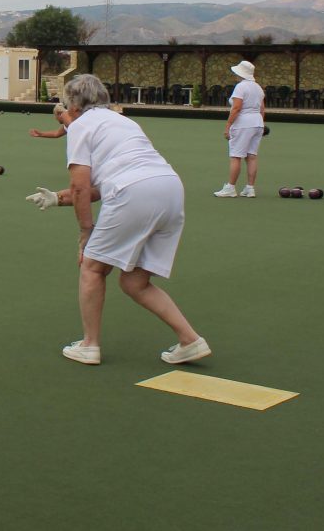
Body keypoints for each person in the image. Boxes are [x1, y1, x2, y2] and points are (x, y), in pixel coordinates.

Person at [24, 74, 210, 366]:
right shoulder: (123, 122)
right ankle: (190, 340)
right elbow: (107, 183)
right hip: (170, 189)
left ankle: (89, 345)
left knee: (93, 268)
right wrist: (57, 198)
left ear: (73, 104)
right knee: (135, 281)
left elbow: (82, 186)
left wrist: (86, 231)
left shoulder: (80, 126)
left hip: (135, 193)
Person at [214, 60, 265, 198]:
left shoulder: (240, 87)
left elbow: (236, 107)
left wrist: (228, 125)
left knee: (236, 156)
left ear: (240, 74)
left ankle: (230, 187)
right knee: (251, 156)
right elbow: (262, 108)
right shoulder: (258, 87)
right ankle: (250, 188)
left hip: (243, 123)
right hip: (257, 123)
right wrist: (261, 124)